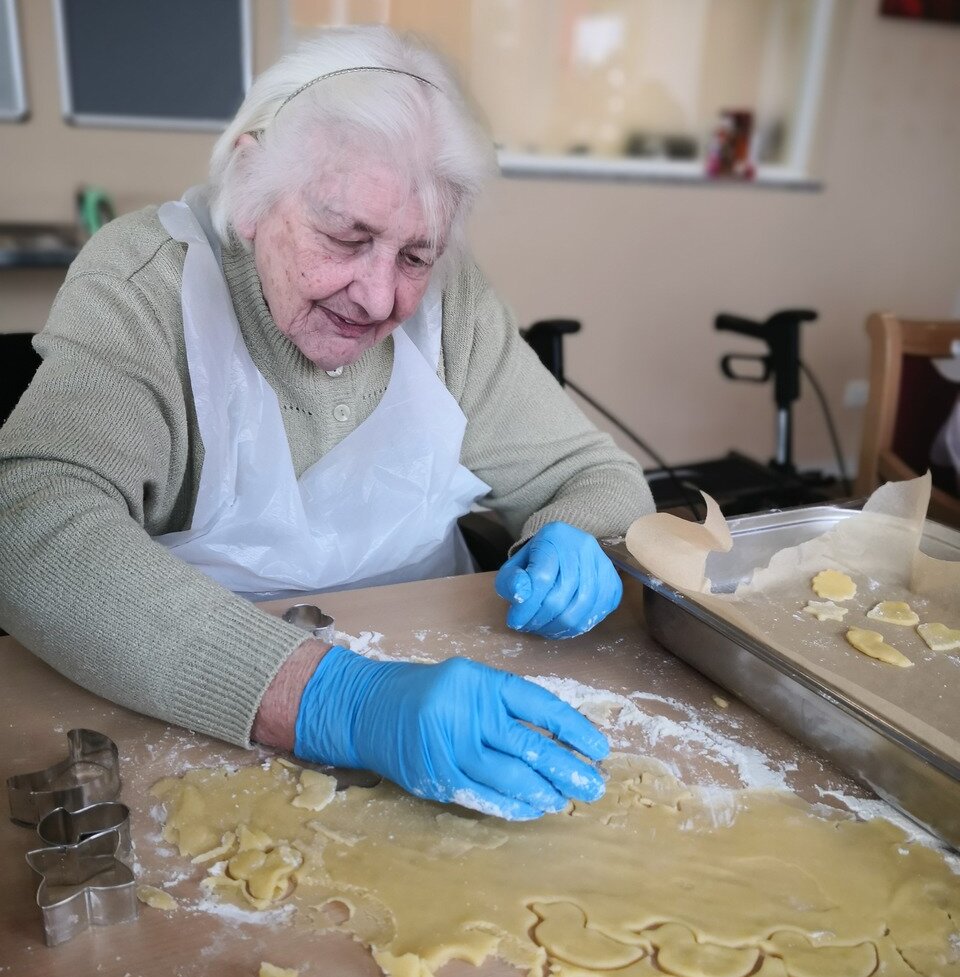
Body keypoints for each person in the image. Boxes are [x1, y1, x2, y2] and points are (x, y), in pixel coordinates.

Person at [0, 26, 653, 820]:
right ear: (249, 182)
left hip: (445, 733)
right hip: (203, 734)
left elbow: (597, 476)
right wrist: (337, 701)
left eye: (416, 256)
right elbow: (29, 523)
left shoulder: (456, 307)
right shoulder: (144, 286)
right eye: (347, 238)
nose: (380, 297)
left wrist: (579, 533)